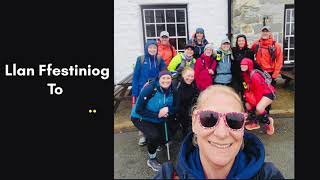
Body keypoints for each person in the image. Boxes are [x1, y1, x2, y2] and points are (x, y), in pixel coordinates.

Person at [153, 85, 284, 179]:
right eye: (209, 118)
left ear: (243, 125)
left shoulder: (267, 175)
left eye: (234, 120)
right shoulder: (168, 175)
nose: (222, 133)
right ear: (194, 122)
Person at [131, 70, 178, 172]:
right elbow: (139, 109)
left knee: (165, 135)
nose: (166, 80)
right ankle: (152, 159)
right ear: (159, 79)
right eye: (163, 78)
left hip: (157, 117)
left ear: (171, 79)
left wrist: (168, 110)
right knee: (154, 136)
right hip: (140, 117)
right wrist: (157, 114)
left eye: (168, 78)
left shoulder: (173, 90)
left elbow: (177, 106)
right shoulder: (150, 89)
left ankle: (154, 143)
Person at [132, 40, 167, 146]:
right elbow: (135, 77)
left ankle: (152, 133)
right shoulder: (141, 59)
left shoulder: (159, 59)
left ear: (157, 49)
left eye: (154, 48)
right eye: (150, 47)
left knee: (152, 110)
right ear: (147, 48)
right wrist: (134, 93)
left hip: (155, 89)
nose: (152, 50)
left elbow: (164, 73)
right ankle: (142, 135)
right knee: (140, 111)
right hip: (141, 90)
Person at [240, 58, 276, 135]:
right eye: (241, 65)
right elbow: (247, 87)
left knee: (259, 108)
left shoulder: (254, 75)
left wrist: (255, 102)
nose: (242, 67)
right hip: (259, 93)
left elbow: (259, 91)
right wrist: (247, 97)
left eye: (244, 65)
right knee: (248, 105)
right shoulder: (246, 74)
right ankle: (254, 122)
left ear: (249, 65)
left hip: (268, 93)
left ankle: (269, 122)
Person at [172, 67, 199, 138]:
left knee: (185, 125)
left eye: (192, 76)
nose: (190, 78)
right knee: (174, 126)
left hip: (187, 107)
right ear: (183, 75)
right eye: (188, 76)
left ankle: (185, 138)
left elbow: (197, 94)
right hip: (176, 108)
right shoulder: (177, 84)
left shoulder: (193, 84)